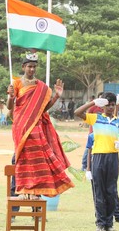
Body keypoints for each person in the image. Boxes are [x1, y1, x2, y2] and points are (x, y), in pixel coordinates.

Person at [6, 51, 74, 199]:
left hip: (36, 127)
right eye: (29, 66)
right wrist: (11, 96)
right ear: (23, 67)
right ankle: (20, 193)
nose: (32, 69)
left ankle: (36, 195)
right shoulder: (16, 83)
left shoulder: (41, 86)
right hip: (21, 126)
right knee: (20, 158)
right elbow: (9, 106)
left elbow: (43, 109)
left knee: (38, 158)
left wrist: (56, 96)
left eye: (34, 66)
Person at [75, 92, 119, 231]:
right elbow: (77, 112)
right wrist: (93, 102)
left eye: (112, 105)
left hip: (113, 158)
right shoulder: (96, 118)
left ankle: (109, 224)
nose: (110, 107)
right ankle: (100, 223)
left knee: (111, 191)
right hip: (98, 157)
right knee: (99, 191)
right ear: (102, 106)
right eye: (107, 105)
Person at [81, 93, 104, 171]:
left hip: (103, 134)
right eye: (99, 99)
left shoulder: (106, 109)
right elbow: (85, 115)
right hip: (93, 132)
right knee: (88, 149)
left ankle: (94, 167)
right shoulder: (93, 108)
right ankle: (84, 166)